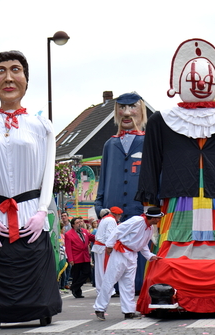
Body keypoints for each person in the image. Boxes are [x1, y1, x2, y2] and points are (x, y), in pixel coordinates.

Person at [135, 38, 215, 315]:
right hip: (177, 205)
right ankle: (170, 294)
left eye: (206, 79)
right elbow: (150, 165)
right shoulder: (161, 120)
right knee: (173, 250)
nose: (201, 84)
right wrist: (150, 209)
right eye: (194, 78)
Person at [0, 50, 61, 326]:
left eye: (15, 70)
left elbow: (48, 174)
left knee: (35, 275)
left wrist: (42, 212)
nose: (8, 77)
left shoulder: (42, 127)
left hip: (30, 216)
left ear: (26, 79)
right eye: (1, 71)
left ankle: (40, 308)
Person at [94, 92, 149, 293]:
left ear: (140, 111)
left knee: (139, 247)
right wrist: (99, 205)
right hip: (113, 209)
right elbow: (104, 177)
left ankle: (139, 283)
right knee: (114, 249)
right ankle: (114, 285)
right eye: (122, 108)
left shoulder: (148, 142)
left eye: (132, 108)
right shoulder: (110, 144)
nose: (126, 113)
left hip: (138, 208)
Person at [93, 207, 163, 321]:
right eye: (158, 218)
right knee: (110, 280)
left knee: (129, 284)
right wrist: (110, 245)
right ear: (153, 218)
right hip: (120, 252)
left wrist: (150, 256)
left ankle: (129, 311)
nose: (159, 219)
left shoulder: (150, 229)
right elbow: (118, 230)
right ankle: (100, 308)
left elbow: (143, 244)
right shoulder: (137, 221)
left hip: (132, 255)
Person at [92, 207, 122, 295]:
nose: (120, 217)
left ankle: (101, 290)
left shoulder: (104, 219)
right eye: (119, 215)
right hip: (104, 247)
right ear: (116, 215)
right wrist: (110, 246)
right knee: (106, 269)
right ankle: (108, 291)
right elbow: (110, 234)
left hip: (99, 246)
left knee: (99, 271)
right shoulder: (111, 221)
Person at [64, 217, 95, 298]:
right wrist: (70, 259)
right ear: (73, 225)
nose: (80, 224)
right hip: (76, 257)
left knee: (87, 272)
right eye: (77, 223)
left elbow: (92, 237)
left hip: (85, 256)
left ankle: (74, 286)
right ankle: (77, 292)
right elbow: (68, 247)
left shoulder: (84, 231)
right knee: (76, 275)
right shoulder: (68, 234)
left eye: (80, 222)